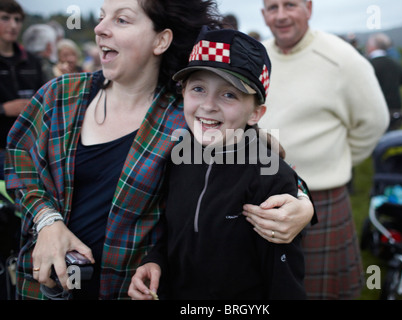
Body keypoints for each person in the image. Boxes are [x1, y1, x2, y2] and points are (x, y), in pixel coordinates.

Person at [5, 0, 314, 300]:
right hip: (44, 287)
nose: (99, 28)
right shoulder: (60, 95)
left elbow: (252, 154)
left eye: (121, 19)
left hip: (127, 287)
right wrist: (46, 220)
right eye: (102, 16)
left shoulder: (186, 116)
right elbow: (18, 160)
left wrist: (302, 203)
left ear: (161, 39)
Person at [128, 27, 312, 300]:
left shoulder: (271, 177)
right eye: (198, 88)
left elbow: (284, 281)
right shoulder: (176, 157)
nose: (209, 105)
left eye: (229, 95)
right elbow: (173, 234)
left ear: (255, 113)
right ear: (184, 93)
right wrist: (154, 261)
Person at [260, 0, 390, 299]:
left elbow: (374, 121)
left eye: (290, 5)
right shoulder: (258, 55)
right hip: (262, 195)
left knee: (321, 293)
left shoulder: (343, 58)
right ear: (263, 14)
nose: (280, 15)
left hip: (322, 200)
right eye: (272, 7)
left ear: (308, 7)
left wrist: (338, 161)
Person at [0, 0, 44, 181]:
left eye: (17, 20)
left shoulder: (33, 61)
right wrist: (4, 109)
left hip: (31, 151)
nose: (13, 25)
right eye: (5, 18)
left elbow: (45, 99)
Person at [366, 33, 402, 131]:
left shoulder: (367, 65)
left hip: (376, 111)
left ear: (372, 47)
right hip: (396, 109)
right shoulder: (395, 63)